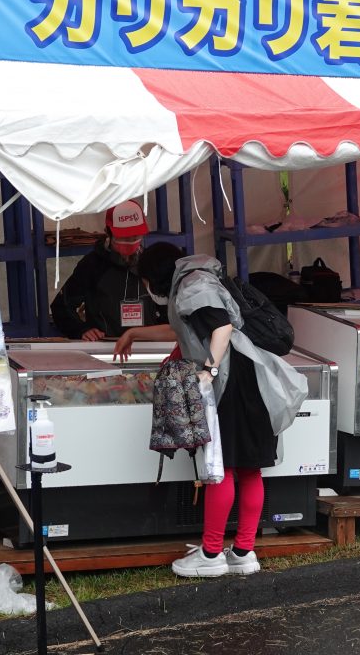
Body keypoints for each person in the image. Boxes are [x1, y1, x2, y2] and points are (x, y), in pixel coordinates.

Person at [116, 243, 306, 578]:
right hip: (254, 380)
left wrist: (210, 369)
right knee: (249, 469)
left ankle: (211, 554)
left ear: (153, 276)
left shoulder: (193, 285)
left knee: (221, 467)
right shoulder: (199, 279)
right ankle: (244, 552)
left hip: (233, 382)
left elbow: (221, 327)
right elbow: (187, 326)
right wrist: (135, 332)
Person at [50, 199, 158, 341]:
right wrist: (81, 330)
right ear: (108, 232)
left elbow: (171, 307)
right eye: (124, 238)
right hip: (106, 346)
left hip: (151, 346)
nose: (130, 242)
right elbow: (61, 306)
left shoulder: (152, 262)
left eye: (135, 237)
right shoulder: (92, 265)